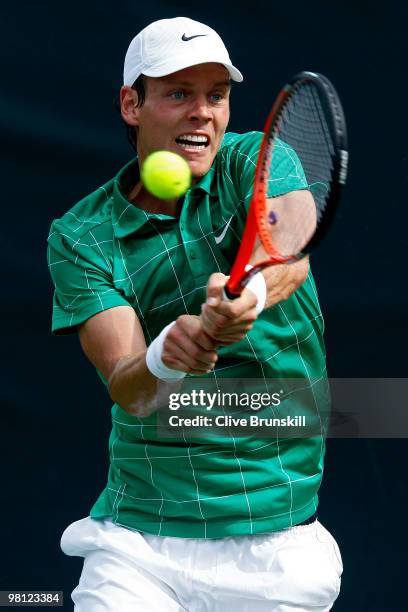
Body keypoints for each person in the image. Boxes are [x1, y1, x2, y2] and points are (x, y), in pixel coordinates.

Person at [47, 16, 343, 611]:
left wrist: (247, 299)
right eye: (179, 93)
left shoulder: (257, 160)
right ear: (132, 105)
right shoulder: (81, 235)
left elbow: (289, 252)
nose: (202, 112)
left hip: (276, 544)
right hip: (138, 541)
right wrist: (167, 355)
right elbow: (131, 389)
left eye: (216, 95)